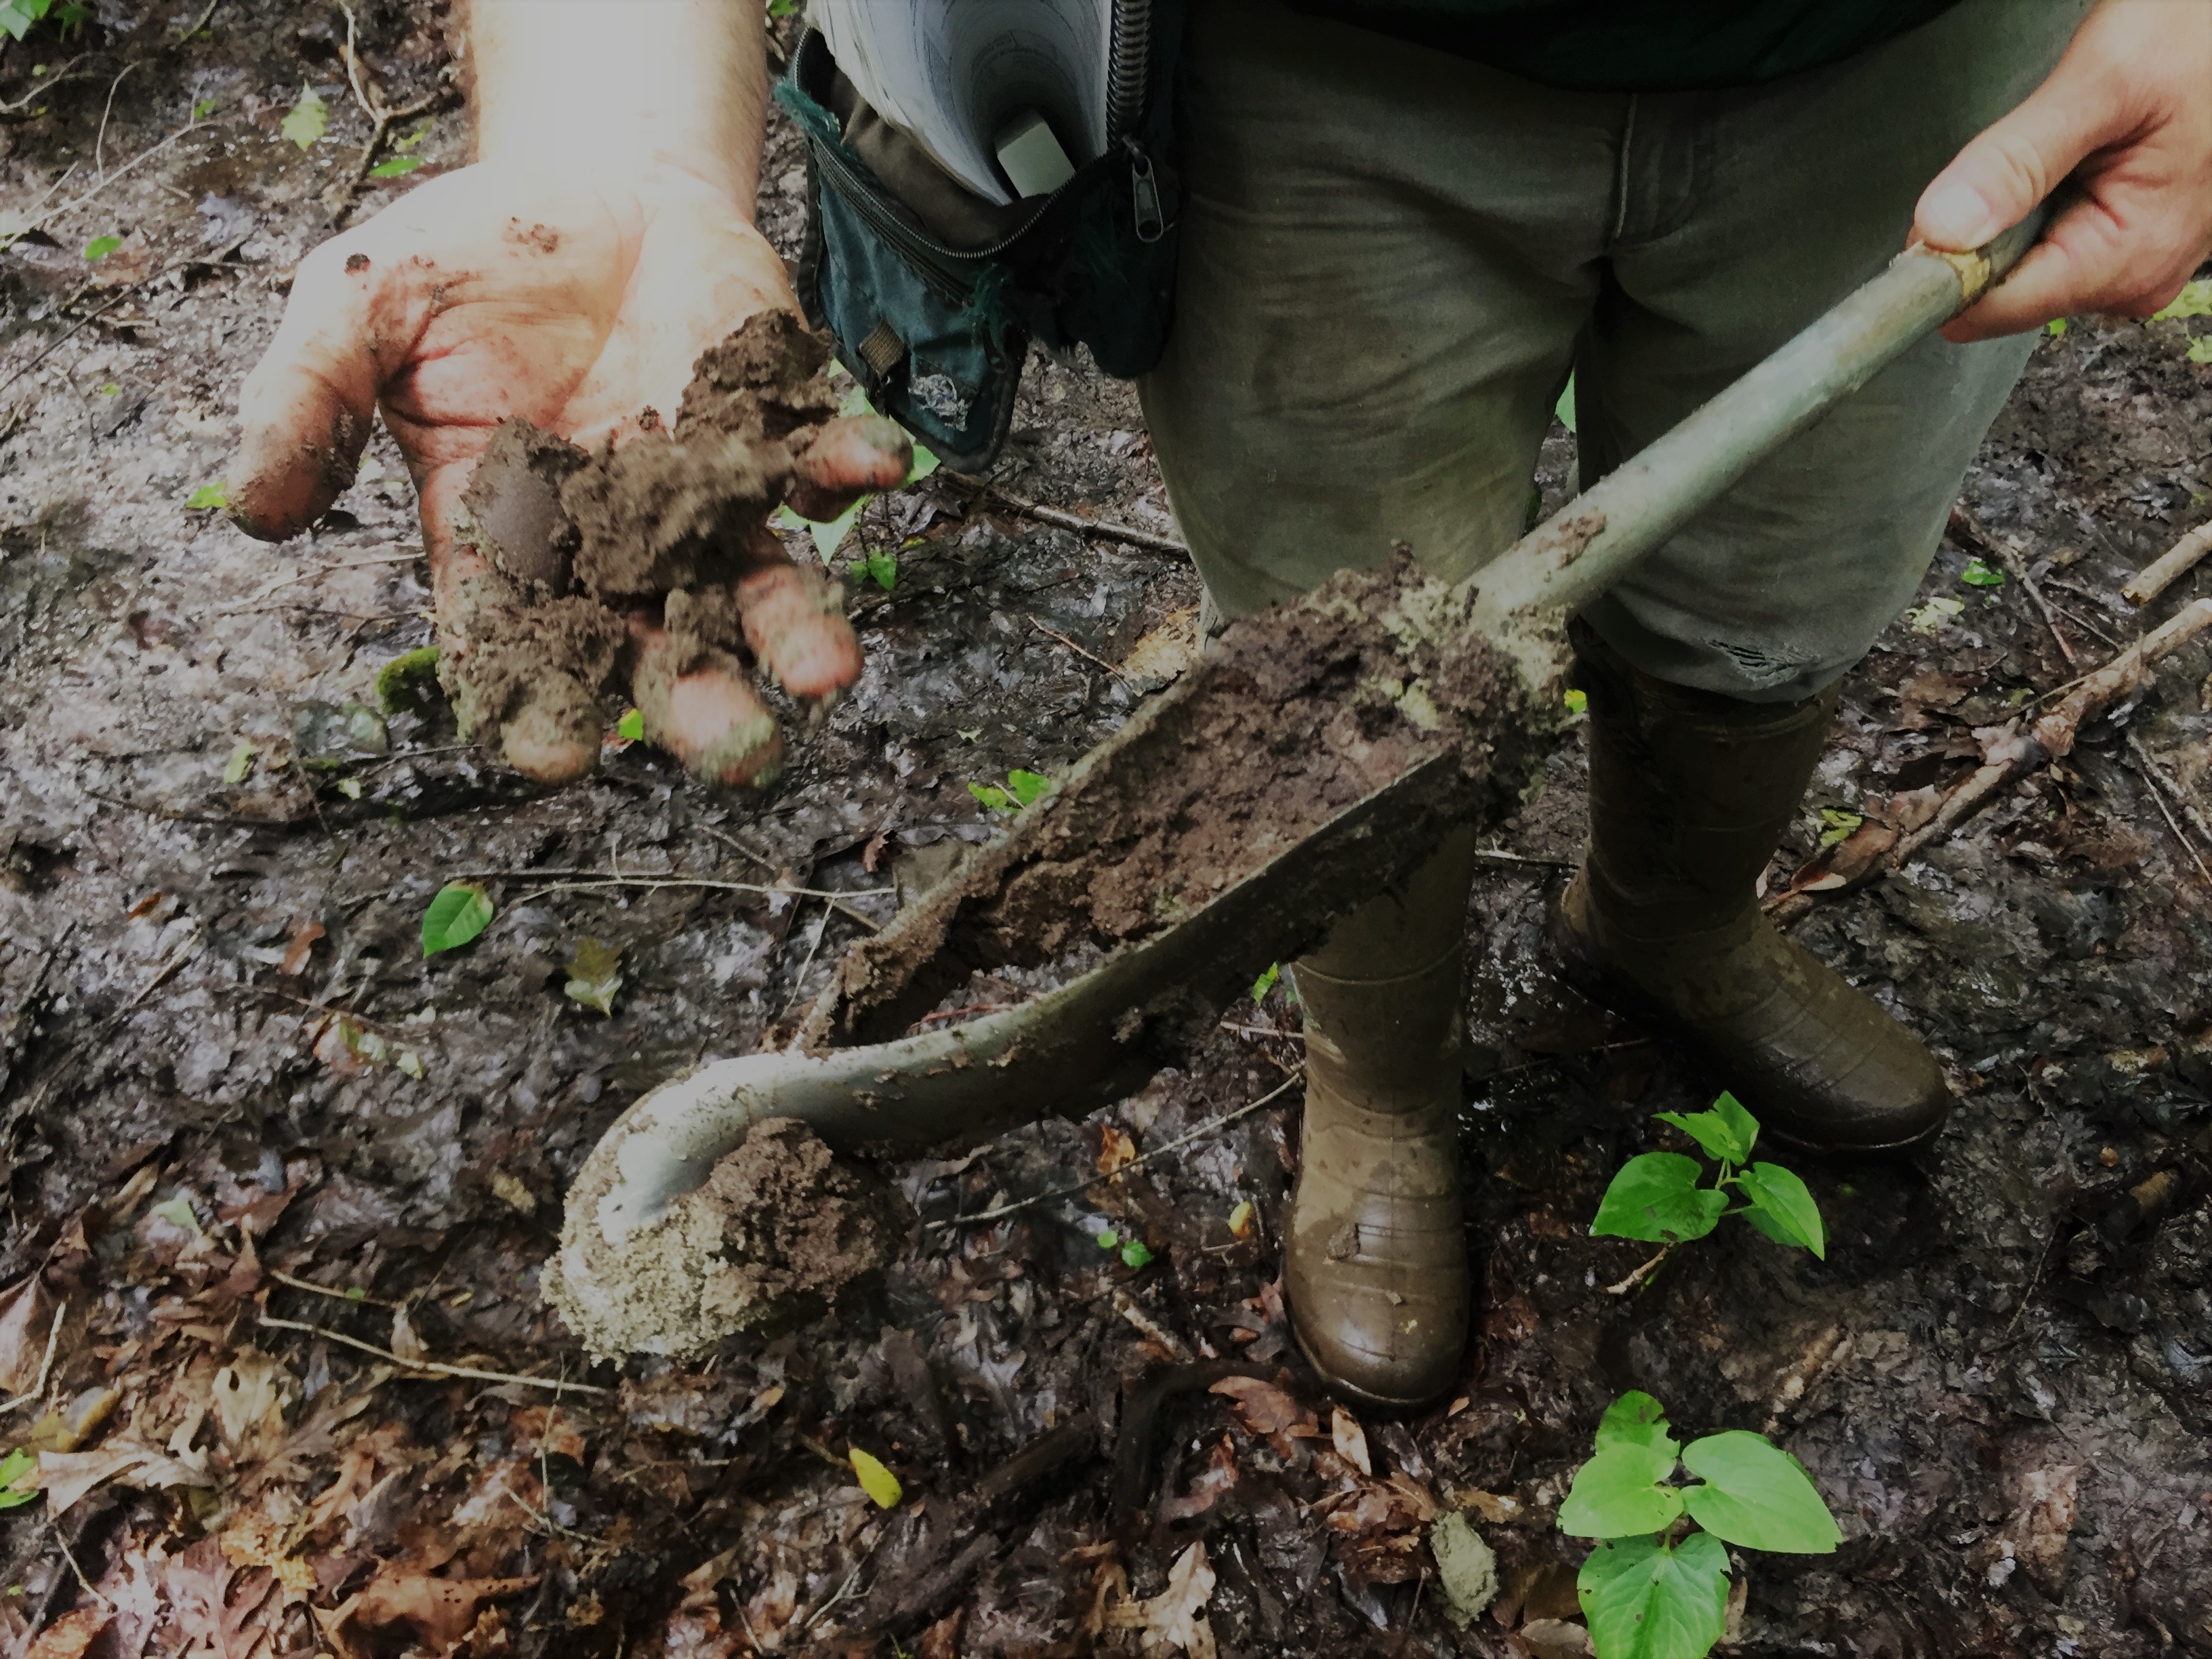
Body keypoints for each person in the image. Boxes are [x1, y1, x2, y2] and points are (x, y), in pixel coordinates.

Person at [228, 0, 2212, 1408]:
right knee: (1334, 696)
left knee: (1784, 588)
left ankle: (1666, 923)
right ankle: (1381, 1071)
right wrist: (622, 135)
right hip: (1299, 81)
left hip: (1929, 63)